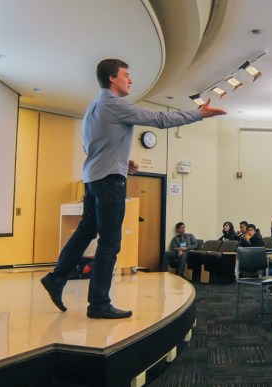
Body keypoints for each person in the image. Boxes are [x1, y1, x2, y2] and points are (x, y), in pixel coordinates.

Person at [40, 58, 225, 319]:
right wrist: (199, 114)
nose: (131, 79)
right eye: (126, 75)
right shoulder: (116, 104)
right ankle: (99, 303)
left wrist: (122, 160)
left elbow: (91, 147)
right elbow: (159, 118)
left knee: (86, 231)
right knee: (110, 242)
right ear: (112, 78)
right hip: (109, 181)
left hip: (93, 178)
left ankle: (56, 279)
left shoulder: (94, 107)